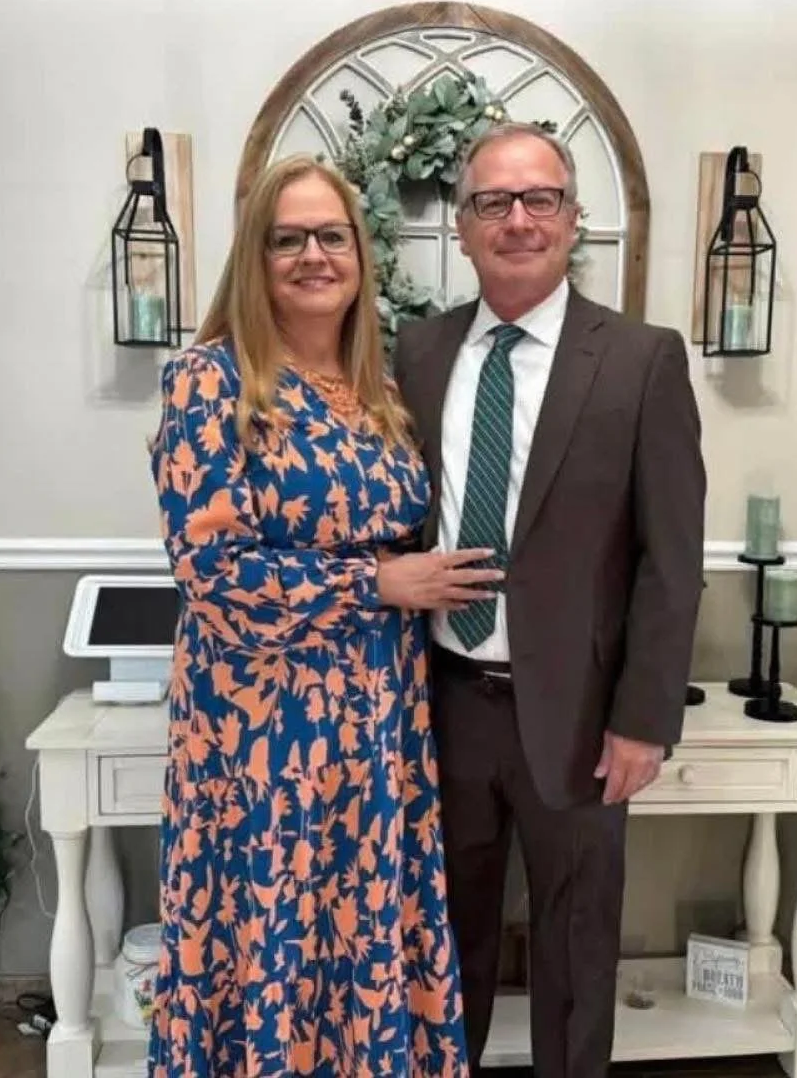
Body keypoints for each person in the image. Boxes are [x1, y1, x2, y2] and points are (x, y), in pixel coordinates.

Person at [147, 153, 502, 1078]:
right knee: (272, 941)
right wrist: (373, 585)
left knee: (364, 935)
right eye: (287, 238)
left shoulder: (380, 391)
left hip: (378, 724)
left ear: (359, 255)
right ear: (255, 260)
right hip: (259, 734)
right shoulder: (211, 380)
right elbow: (210, 571)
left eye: (331, 236)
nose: (313, 254)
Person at [393, 123, 706, 1076]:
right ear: (462, 228)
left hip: (578, 720)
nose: (517, 220)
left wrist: (643, 721)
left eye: (540, 200)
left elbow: (670, 557)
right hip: (440, 704)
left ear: (573, 220)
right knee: (445, 945)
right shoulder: (417, 352)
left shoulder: (641, 358)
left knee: (575, 949)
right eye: (493, 202)